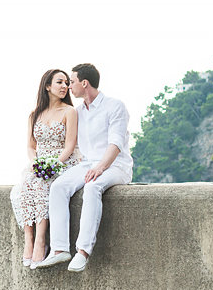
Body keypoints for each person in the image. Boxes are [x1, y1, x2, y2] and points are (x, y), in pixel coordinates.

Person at [35, 63, 132, 273]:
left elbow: (116, 144)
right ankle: (60, 249)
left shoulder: (115, 106)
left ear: (84, 83)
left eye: (72, 81)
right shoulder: (78, 112)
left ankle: (83, 251)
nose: (69, 86)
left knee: (92, 187)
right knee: (59, 187)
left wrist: (101, 167)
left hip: (115, 165)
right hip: (87, 164)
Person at [9, 69, 82, 267]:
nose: (64, 86)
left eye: (67, 83)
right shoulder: (34, 115)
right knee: (25, 187)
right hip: (40, 162)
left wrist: (54, 164)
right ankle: (29, 239)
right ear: (47, 86)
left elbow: (69, 145)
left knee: (42, 185)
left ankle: (41, 241)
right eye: (59, 82)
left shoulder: (70, 111)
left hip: (63, 162)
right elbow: (31, 147)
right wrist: (36, 163)